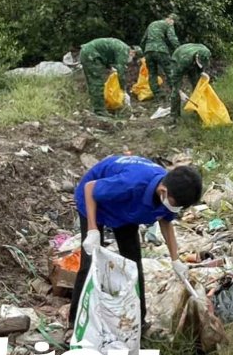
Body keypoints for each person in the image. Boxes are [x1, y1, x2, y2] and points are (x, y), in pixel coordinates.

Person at [68, 155, 203, 327]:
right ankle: (74, 322)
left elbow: (166, 222)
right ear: (163, 191)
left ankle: (139, 321)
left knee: (133, 263)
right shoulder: (131, 183)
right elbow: (90, 189)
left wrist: (175, 260)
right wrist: (93, 229)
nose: (177, 210)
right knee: (90, 263)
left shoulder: (170, 194)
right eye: (176, 205)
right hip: (95, 203)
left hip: (126, 212)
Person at [78, 38, 140, 116]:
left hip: (87, 52)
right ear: (133, 52)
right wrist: (123, 89)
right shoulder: (124, 51)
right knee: (97, 83)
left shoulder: (121, 46)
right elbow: (121, 72)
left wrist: (109, 67)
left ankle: (96, 107)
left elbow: (105, 54)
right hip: (91, 55)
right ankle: (100, 111)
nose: (132, 60)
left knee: (92, 83)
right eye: (134, 57)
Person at [168, 43, 211, 118]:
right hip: (178, 58)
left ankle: (198, 110)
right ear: (197, 58)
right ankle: (174, 116)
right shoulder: (183, 61)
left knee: (197, 85)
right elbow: (174, 78)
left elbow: (202, 66)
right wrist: (180, 92)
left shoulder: (206, 53)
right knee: (175, 91)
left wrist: (202, 73)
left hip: (191, 57)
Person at [141, 14, 179, 97]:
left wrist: (143, 52)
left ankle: (157, 95)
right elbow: (172, 38)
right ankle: (175, 93)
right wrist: (179, 49)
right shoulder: (169, 24)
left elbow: (143, 40)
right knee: (169, 71)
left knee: (152, 73)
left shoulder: (152, 24)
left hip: (148, 51)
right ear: (172, 20)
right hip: (161, 51)